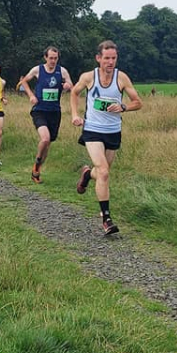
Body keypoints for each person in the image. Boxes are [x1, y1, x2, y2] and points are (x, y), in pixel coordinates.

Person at [71, 40, 143, 236]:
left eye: (114, 58)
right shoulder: (88, 77)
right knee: (103, 172)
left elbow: (138, 102)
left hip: (113, 131)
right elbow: (74, 93)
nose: (110, 62)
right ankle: (106, 218)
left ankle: (87, 175)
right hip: (92, 130)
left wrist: (123, 107)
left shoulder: (122, 78)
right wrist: (75, 115)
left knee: (102, 172)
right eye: (107, 58)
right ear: (98, 58)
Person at [18, 47, 74, 184]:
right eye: (51, 58)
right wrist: (31, 95)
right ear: (45, 57)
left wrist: (67, 86)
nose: (53, 61)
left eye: (55, 58)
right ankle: (37, 164)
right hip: (39, 110)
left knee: (48, 143)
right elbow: (23, 81)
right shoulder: (38, 70)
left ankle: (37, 170)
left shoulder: (62, 71)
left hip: (55, 112)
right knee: (45, 139)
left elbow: (72, 86)